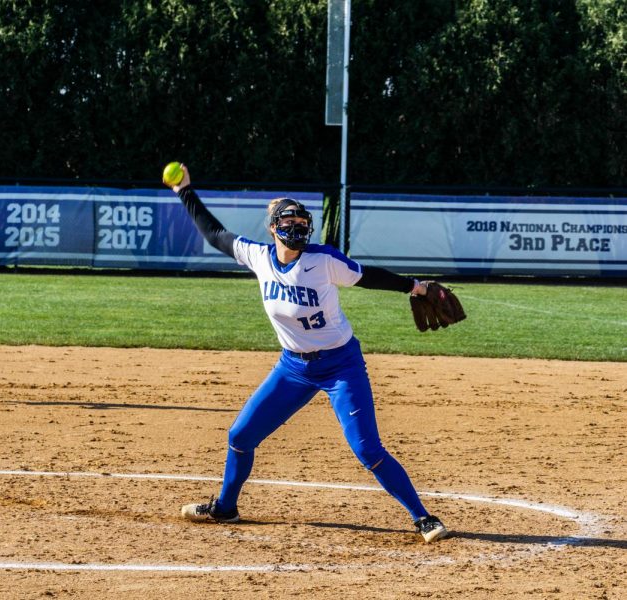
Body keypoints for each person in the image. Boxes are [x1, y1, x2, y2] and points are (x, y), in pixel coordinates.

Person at [166, 164, 449, 544]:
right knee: (240, 435)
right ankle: (226, 508)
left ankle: (423, 517)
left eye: (302, 221)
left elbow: (369, 277)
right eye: (289, 221)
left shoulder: (323, 260)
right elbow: (214, 233)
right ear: (273, 227)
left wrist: (414, 287)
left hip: (341, 366)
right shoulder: (257, 257)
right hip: (293, 368)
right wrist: (185, 190)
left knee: (367, 449)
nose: (297, 227)